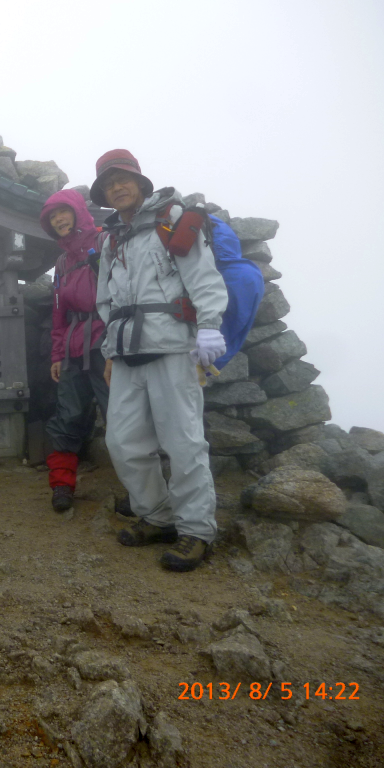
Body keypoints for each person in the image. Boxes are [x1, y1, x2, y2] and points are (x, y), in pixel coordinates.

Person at [92, 150, 228, 572]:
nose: (117, 186)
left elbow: (202, 275)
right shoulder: (110, 239)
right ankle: (158, 517)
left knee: (183, 442)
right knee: (123, 443)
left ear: (140, 181)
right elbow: (105, 302)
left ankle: (197, 531)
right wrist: (110, 350)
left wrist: (208, 325)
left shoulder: (174, 220)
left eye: (123, 178)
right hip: (128, 354)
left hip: (171, 347)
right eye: (109, 182)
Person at [41, 189, 110, 512]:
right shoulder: (62, 261)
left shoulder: (105, 242)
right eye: (53, 218)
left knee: (120, 415)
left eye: (63, 213)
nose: (58, 220)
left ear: (79, 211)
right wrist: (57, 354)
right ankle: (62, 485)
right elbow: (59, 312)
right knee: (68, 416)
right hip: (73, 345)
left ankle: (141, 492)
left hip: (107, 341)